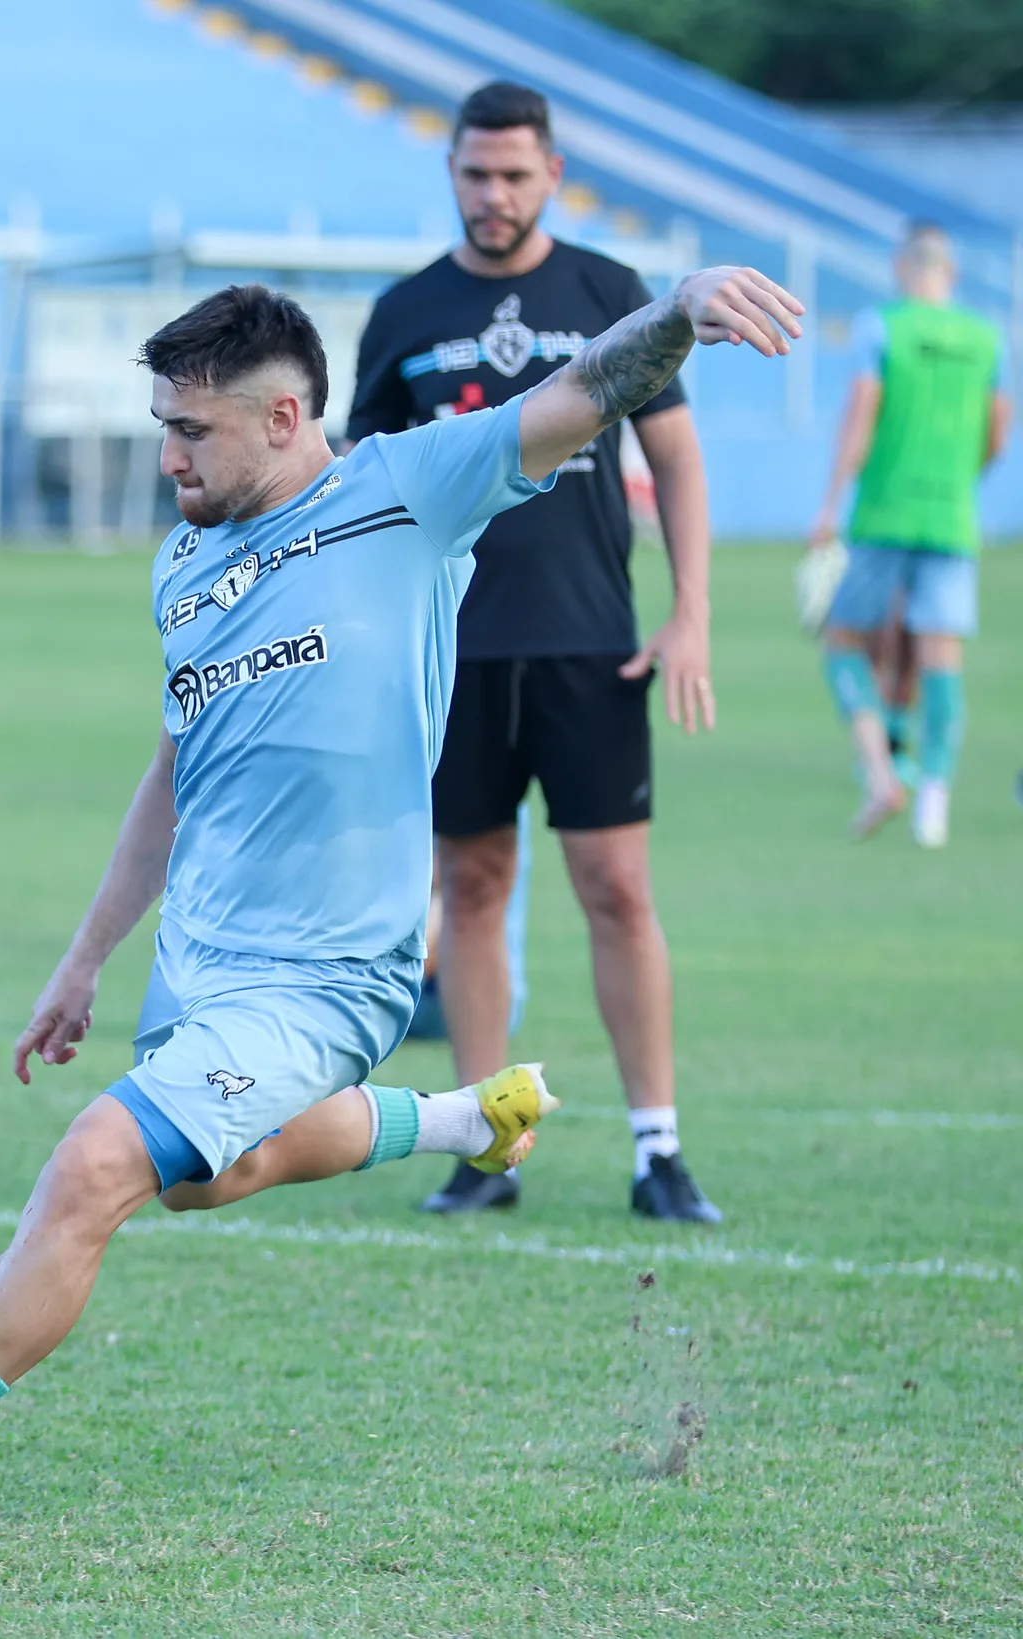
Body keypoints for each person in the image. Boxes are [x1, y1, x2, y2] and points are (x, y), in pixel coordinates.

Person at [0, 265, 802, 1555]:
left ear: (284, 416)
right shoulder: (183, 563)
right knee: (205, 1178)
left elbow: (577, 391)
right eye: (160, 427)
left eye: (188, 431)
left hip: (334, 966)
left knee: (94, 1166)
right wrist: (85, 957)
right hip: (202, 960)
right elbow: (171, 771)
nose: (167, 456)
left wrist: (679, 311)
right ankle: (463, 1117)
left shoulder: (407, 491)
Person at [346, 81, 720, 1224]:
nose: (493, 194)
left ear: (551, 173)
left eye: (513, 175)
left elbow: (680, 458)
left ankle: (656, 1149)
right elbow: (366, 491)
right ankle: (480, 1141)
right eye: (474, 174)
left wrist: (688, 609)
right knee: (467, 887)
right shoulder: (405, 311)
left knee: (615, 889)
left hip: (588, 642)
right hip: (450, 652)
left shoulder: (606, 292)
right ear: (450, 173)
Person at [809, 221, 1012, 848]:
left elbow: (860, 414)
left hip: (882, 514)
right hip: (951, 516)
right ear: (950, 273)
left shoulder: (882, 326)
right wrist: (960, 480)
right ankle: (936, 802)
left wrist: (830, 501)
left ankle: (881, 772)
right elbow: (998, 432)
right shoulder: (987, 337)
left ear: (903, 269)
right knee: (940, 659)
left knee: (844, 641)